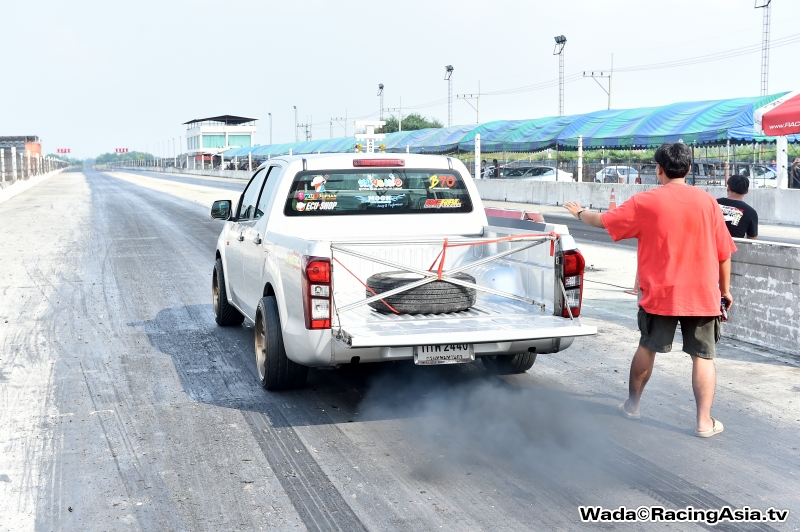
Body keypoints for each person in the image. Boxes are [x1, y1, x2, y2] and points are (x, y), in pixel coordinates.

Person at [563, 142, 736, 438]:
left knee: (647, 347)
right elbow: (724, 252)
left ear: (658, 170)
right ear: (689, 169)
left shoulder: (646, 201)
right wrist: (725, 290)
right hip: (702, 293)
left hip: (661, 294)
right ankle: (704, 423)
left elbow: (603, 221)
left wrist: (580, 213)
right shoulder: (708, 202)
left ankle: (633, 406)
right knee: (703, 357)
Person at [717, 175, 758, 239]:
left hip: (710, 246)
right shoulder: (751, 212)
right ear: (747, 191)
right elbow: (752, 239)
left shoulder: (713, 203)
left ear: (728, 188)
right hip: (734, 248)